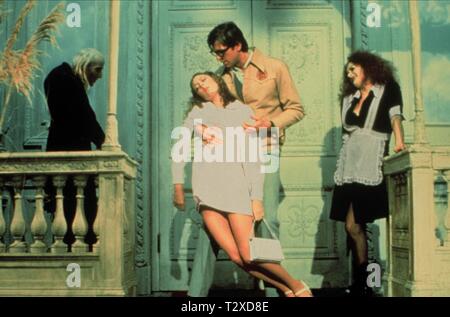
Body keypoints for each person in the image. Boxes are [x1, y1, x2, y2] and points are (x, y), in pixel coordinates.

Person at [187, 21, 305, 297]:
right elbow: (200, 111)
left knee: (266, 219)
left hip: (265, 149)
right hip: (229, 156)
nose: (218, 58)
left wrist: (271, 123)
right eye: (214, 53)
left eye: (221, 51)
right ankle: (195, 296)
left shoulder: (274, 67)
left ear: (237, 45)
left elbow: (297, 109)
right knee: (212, 220)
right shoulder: (220, 77)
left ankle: (280, 291)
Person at [329, 51, 406, 296]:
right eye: (348, 71)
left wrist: (400, 142)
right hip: (350, 161)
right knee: (351, 226)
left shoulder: (388, 88)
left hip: (372, 158)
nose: (349, 74)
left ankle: (370, 283)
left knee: (365, 222)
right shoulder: (350, 97)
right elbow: (348, 128)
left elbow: (395, 115)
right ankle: (364, 282)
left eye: (354, 69)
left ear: (368, 68)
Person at [44, 48, 105, 248]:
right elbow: (84, 116)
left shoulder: (61, 77)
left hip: (67, 154)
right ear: (85, 66)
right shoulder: (65, 78)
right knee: (75, 210)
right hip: (70, 156)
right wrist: (104, 143)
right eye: (97, 69)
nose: (99, 75)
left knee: (70, 210)